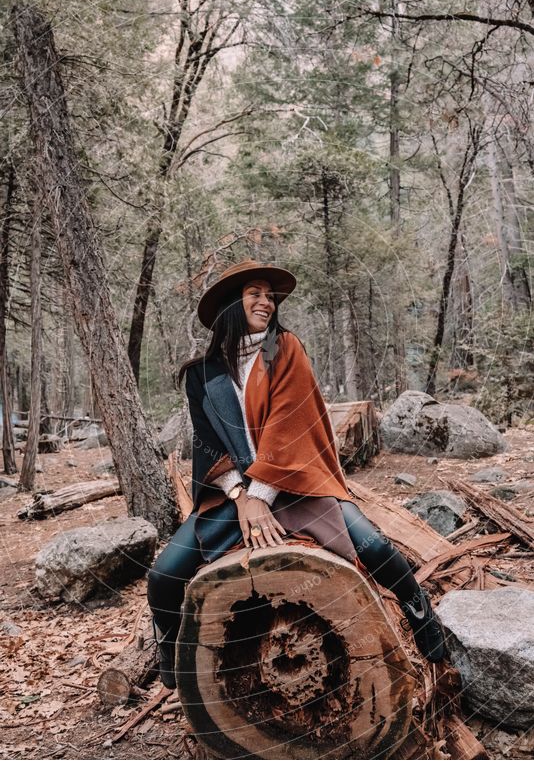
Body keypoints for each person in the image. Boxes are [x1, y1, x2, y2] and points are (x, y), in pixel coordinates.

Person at [147, 259, 445, 688]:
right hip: (237, 493)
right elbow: (207, 443)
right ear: (233, 303)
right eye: (256, 293)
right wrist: (238, 496)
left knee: (373, 546)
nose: (267, 301)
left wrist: (259, 497)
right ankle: (169, 644)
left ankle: (421, 611)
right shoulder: (203, 374)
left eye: (270, 295)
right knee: (164, 575)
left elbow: (290, 425)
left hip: (295, 481)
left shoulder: (283, 348)